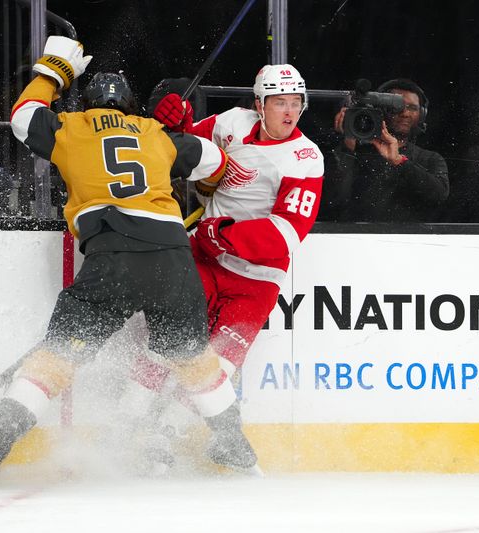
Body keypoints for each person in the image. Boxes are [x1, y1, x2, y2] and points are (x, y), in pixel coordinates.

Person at [0, 35, 258, 485]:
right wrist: (182, 133)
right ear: (130, 105)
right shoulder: (156, 134)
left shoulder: (71, 127)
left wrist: (54, 70)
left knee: (57, 359)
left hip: (111, 260)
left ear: (88, 101)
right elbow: (218, 165)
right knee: (194, 360)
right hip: (172, 262)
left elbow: (22, 117)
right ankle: (236, 447)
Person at [127, 64, 324, 470]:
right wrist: (174, 119)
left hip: (256, 279)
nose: (289, 113)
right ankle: (128, 427)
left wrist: (224, 234)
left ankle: (164, 433)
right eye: (279, 103)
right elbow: (182, 144)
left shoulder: (305, 158)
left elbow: (288, 232)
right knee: (167, 341)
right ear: (259, 104)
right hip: (204, 260)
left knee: (216, 366)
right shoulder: (232, 123)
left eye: (296, 103)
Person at [323, 78, 449, 222]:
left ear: (422, 114)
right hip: (357, 240)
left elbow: (439, 195)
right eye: (397, 106)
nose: (405, 113)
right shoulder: (355, 152)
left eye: (413, 108)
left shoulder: (430, 158)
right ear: (380, 109)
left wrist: (399, 161)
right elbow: (334, 201)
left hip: (410, 243)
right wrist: (347, 148)